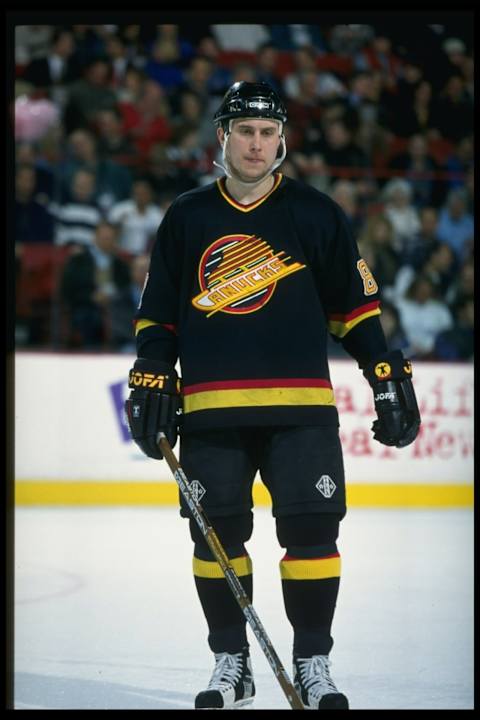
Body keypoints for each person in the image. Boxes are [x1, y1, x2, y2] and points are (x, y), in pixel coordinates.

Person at [124, 81, 421, 710]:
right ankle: (232, 663)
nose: (256, 145)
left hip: (301, 411)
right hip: (211, 412)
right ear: (223, 136)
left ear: (281, 139)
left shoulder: (316, 213)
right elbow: (159, 317)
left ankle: (313, 663)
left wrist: (385, 374)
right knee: (215, 540)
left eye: (267, 133)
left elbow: (356, 311)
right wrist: (153, 370)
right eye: (244, 131)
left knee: (313, 532)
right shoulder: (187, 215)